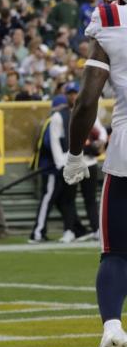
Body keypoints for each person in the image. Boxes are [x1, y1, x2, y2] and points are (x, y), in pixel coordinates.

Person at [63, 0, 127, 347]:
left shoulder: (110, 20)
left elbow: (88, 101)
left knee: (116, 253)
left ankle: (111, 328)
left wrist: (73, 154)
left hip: (125, 151)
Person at [30, 93, 89, 243]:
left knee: (53, 199)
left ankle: (38, 232)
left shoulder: (53, 119)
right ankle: (77, 229)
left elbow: (48, 144)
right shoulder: (59, 119)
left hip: (52, 167)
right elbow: (51, 144)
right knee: (57, 200)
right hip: (54, 167)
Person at [66, 81, 107, 240]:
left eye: (75, 93)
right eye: (70, 94)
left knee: (90, 199)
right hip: (72, 161)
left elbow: (102, 133)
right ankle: (70, 230)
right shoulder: (63, 115)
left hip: (88, 162)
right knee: (69, 198)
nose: (73, 96)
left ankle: (96, 229)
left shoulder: (88, 113)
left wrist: (98, 144)